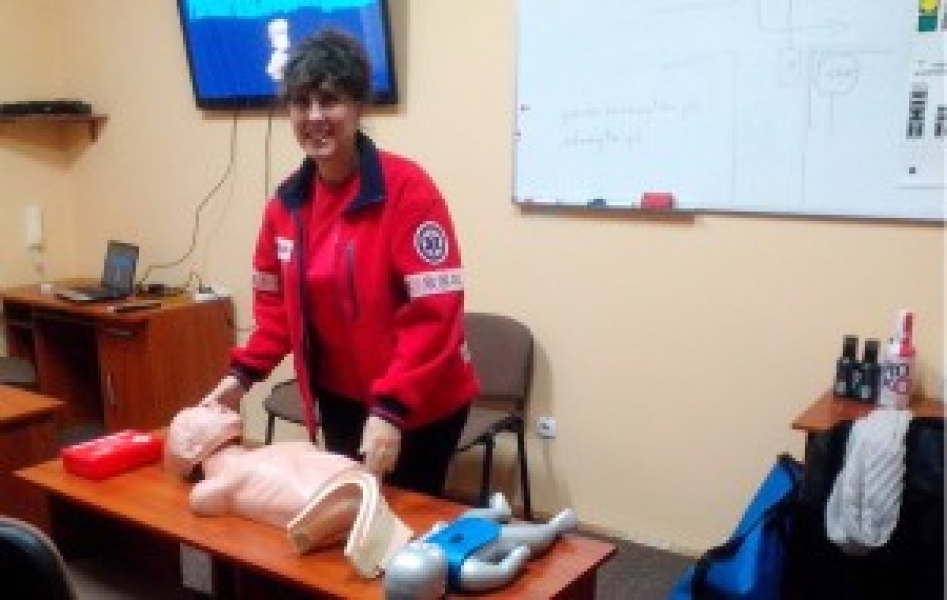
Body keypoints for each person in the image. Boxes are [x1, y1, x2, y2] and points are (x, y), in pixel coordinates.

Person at [198, 28, 479, 498]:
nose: (315, 117)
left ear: (358, 106)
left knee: (406, 519)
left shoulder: (409, 191)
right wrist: (239, 377)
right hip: (341, 399)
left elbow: (435, 316)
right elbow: (277, 314)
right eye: (301, 103)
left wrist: (391, 409)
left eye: (329, 101)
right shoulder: (286, 205)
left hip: (421, 401)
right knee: (351, 511)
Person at [164, 402, 412, 576]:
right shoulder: (223, 481)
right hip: (324, 502)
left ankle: (358, 505)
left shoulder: (269, 452)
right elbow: (199, 499)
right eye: (199, 411)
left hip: (348, 485)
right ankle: (355, 507)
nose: (212, 404)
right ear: (189, 449)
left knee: (305, 455)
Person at [384, 493, 578, 598]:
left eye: (416, 547)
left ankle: (499, 511)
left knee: (470, 515)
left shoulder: (424, 545)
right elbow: (502, 572)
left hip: (465, 525)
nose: (422, 545)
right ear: (441, 588)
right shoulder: (466, 572)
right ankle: (556, 526)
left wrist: (437, 530)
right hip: (496, 537)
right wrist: (517, 556)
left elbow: (429, 536)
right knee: (537, 536)